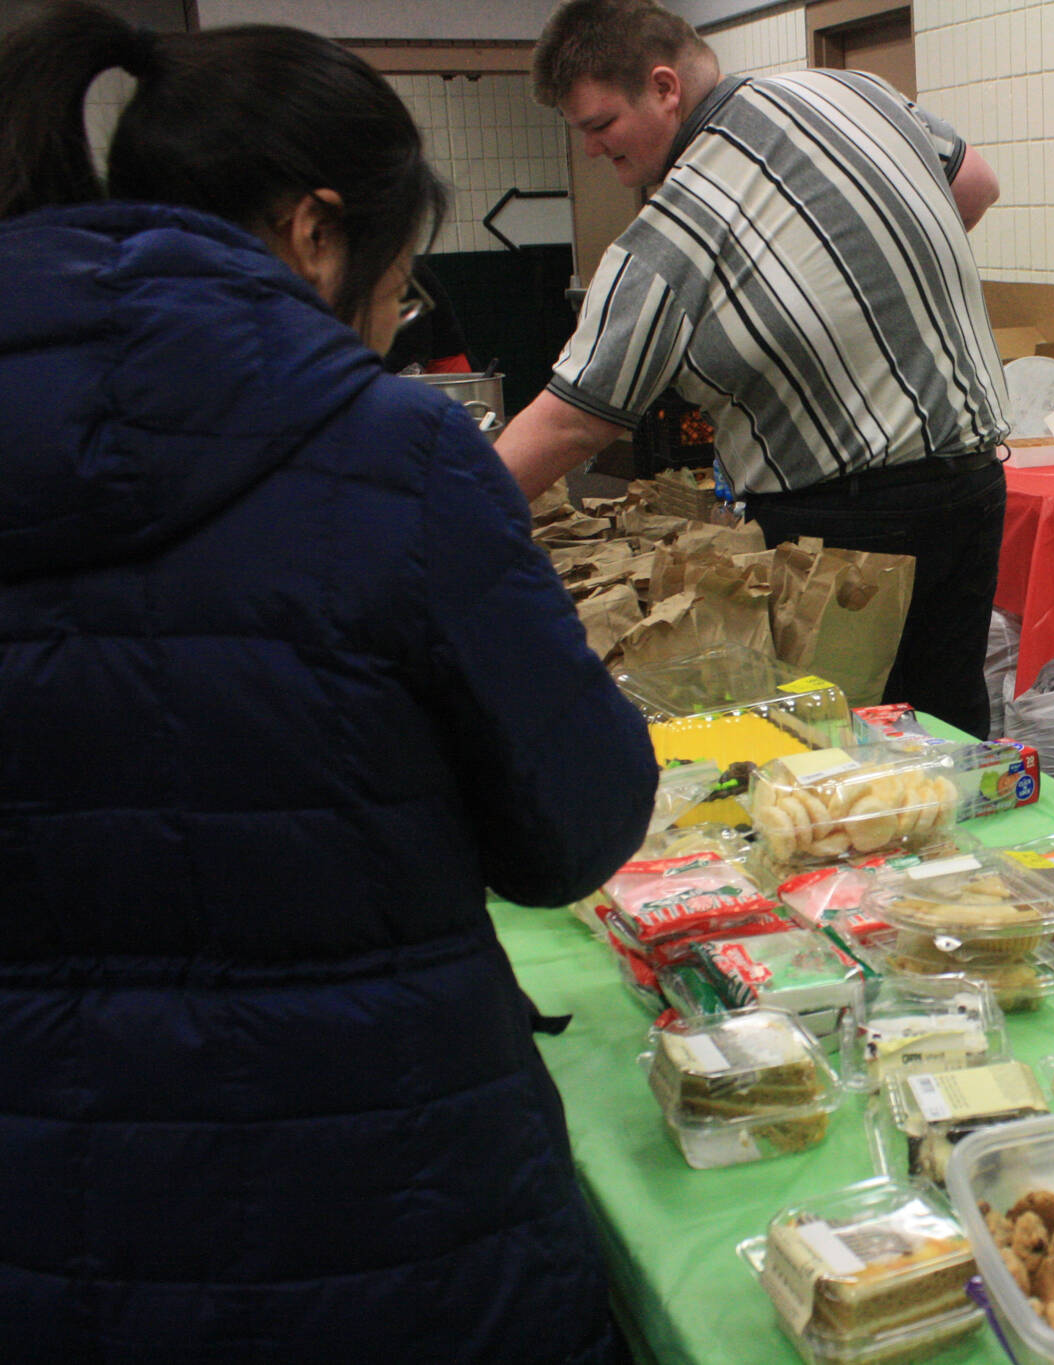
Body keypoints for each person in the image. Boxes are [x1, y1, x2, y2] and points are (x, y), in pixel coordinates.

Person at [0, 5, 656, 1361]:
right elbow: (578, 828)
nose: (385, 324)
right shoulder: (392, 454)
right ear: (315, 232)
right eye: (398, 283)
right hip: (396, 1223)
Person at [497, 0, 1011, 737]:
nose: (589, 149)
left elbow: (573, 419)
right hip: (974, 484)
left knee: (842, 750)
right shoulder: (853, 90)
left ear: (665, 87)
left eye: (599, 125)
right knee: (949, 729)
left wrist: (446, 518)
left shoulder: (680, 224)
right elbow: (975, 188)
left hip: (843, 527)